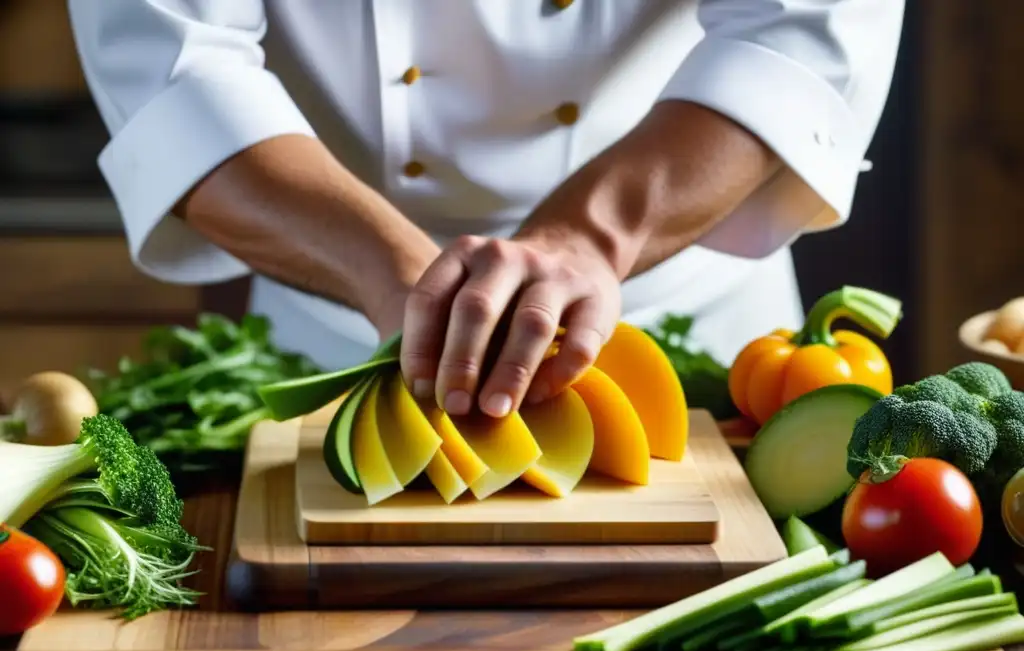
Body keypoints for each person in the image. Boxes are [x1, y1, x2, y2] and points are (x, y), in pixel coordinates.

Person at [68, 0, 904, 419]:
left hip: (689, 323)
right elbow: (175, 75)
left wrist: (590, 239)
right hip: (341, 330)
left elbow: (798, 29)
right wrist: (402, 283)